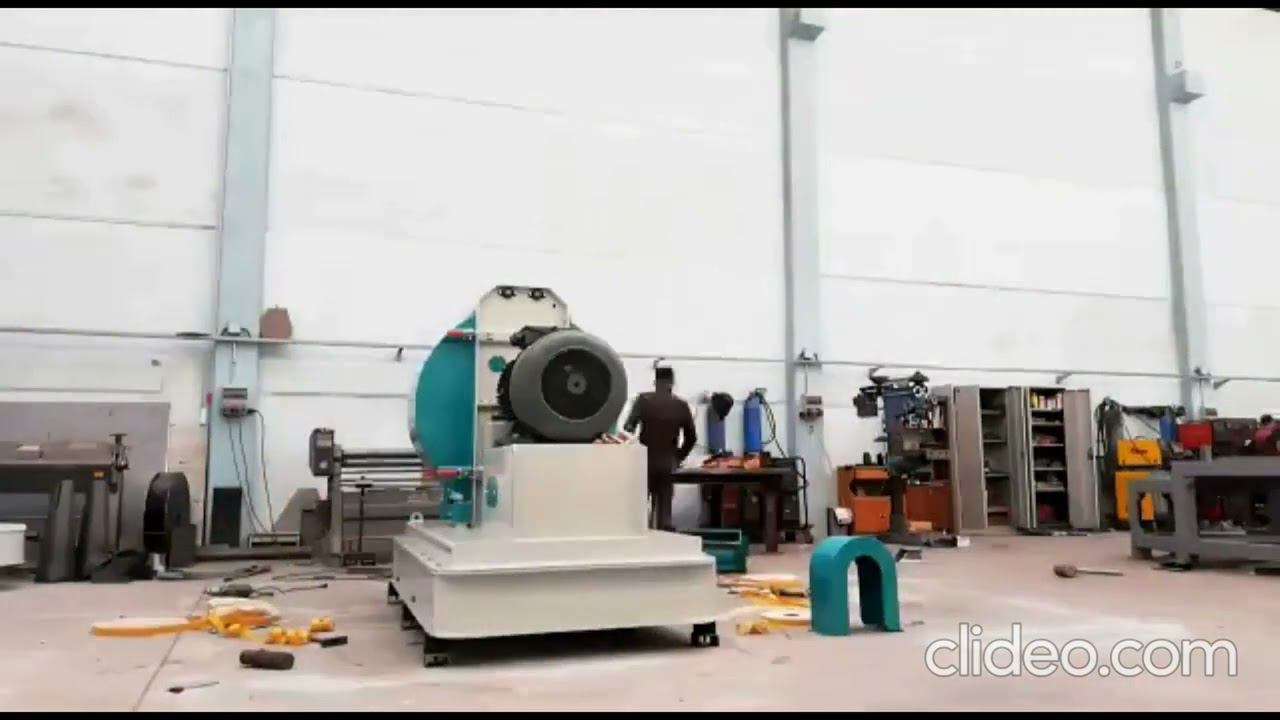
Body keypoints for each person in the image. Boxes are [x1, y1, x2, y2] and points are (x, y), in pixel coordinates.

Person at [623, 366, 696, 531]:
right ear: (672, 383)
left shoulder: (642, 401)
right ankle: (664, 534)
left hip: (645, 461)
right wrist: (678, 457)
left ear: (655, 382)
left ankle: (638, 536)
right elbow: (692, 438)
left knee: (639, 512)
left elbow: (628, 429)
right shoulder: (681, 405)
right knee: (665, 512)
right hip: (667, 463)